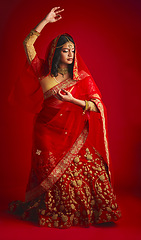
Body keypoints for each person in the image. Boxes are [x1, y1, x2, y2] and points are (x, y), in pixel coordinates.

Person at [8, 7, 121, 228]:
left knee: (90, 167)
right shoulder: (41, 70)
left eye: (73, 50)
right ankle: (57, 210)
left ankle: (95, 211)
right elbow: (27, 44)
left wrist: (73, 101)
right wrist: (45, 20)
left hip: (72, 133)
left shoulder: (80, 78)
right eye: (66, 50)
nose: (71, 55)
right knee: (52, 177)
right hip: (46, 131)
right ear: (56, 52)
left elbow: (98, 107)